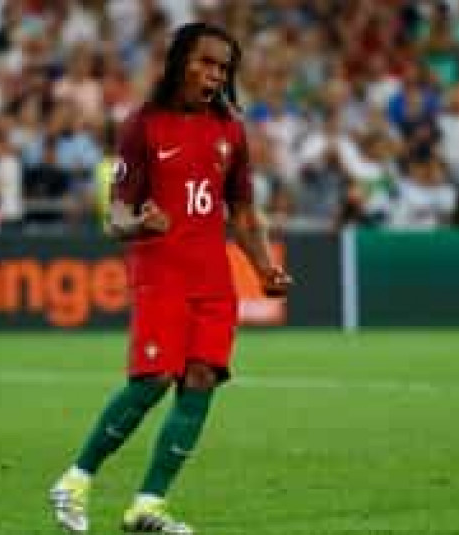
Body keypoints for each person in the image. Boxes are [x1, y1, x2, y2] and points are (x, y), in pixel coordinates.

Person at [49, 22, 291, 534]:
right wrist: (139, 223)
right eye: (205, 62)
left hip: (213, 277)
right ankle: (75, 480)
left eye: (223, 68)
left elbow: (243, 213)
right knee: (154, 379)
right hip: (160, 271)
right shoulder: (143, 125)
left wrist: (263, 266)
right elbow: (116, 216)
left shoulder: (230, 131)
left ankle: (148, 506)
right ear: (180, 61)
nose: (214, 75)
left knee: (202, 380)